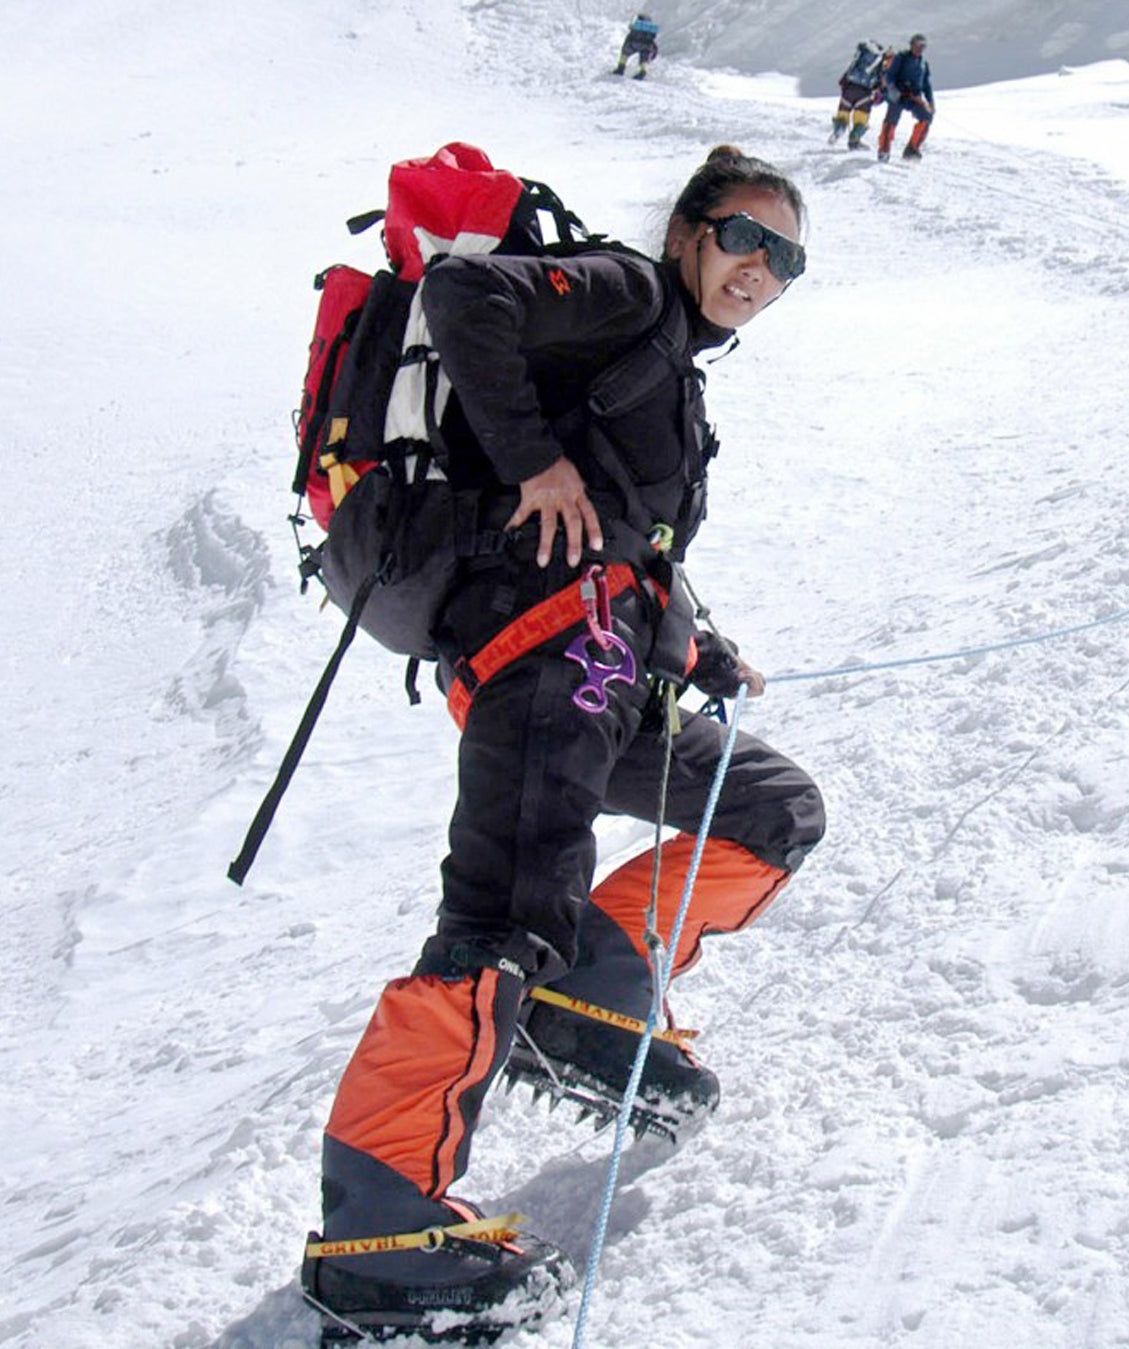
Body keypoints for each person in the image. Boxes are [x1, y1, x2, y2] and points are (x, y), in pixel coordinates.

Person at [300, 145, 826, 1341]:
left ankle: (592, 991)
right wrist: (534, 464)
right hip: (545, 653)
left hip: (607, 669)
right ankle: (381, 1227)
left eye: (788, 260)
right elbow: (464, 296)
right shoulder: (631, 293)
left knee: (768, 809)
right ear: (690, 231)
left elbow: (627, 538)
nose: (762, 269)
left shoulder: (662, 366)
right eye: (747, 236)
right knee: (501, 911)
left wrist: (695, 645)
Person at [879, 33, 936, 162]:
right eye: (918, 45)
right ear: (912, 45)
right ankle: (884, 150)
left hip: (913, 97)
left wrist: (931, 102)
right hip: (898, 96)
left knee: (926, 117)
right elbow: (890, 76)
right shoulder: (901, 58)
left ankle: (912, 149)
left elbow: (926, 85)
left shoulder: (924, 64)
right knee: (891, 121)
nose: (920, 48)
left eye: (923, 46)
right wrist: (894, 92)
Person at [830, 40, 891, 150]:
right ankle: (854, 140)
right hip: (865, 94)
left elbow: (845, 77)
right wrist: (883, 94)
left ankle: (839, 129)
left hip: (849, 90)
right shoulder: (881, 62)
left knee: (843, 114)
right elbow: (882, 82)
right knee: (861, 120)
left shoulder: (860, 58)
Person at [614, 12, 661, 78]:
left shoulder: (636, 28)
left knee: (625, 53)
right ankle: (643, 71)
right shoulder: (650, 32)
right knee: (644, 59)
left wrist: (625, 46)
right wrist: (653, 54)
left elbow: (628, 40)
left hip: (634, 43)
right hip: (647, 46)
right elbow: (653, 43)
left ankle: (620, 68)